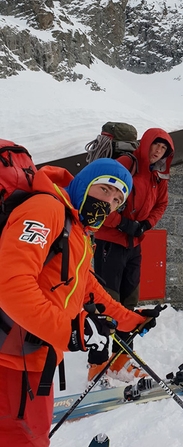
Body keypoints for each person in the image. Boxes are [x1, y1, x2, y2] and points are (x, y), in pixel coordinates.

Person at [0, 158, 156, 447]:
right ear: (85, 183)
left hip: (34, 356)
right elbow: (10, 286)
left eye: (117, 199)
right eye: (105, 189)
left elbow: (87, 290)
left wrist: (132, 320)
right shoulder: (46, 210)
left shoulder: (77, 230)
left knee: (32, 438)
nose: (109, 202)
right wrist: (72, 330)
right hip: (11, 359)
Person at [90, 128, 174, 382]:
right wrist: (120, 223)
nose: (158, 151)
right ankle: (97, 363)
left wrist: (146, 224)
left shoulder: (158, 176)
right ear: (146, 143)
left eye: (164, 149)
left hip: (134, 244)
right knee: (106, 304)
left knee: (129, 301)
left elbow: (162, 204)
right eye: (156, 145)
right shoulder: (127, 163)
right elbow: (103, 198)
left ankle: (122, 357)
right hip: (110, 242)